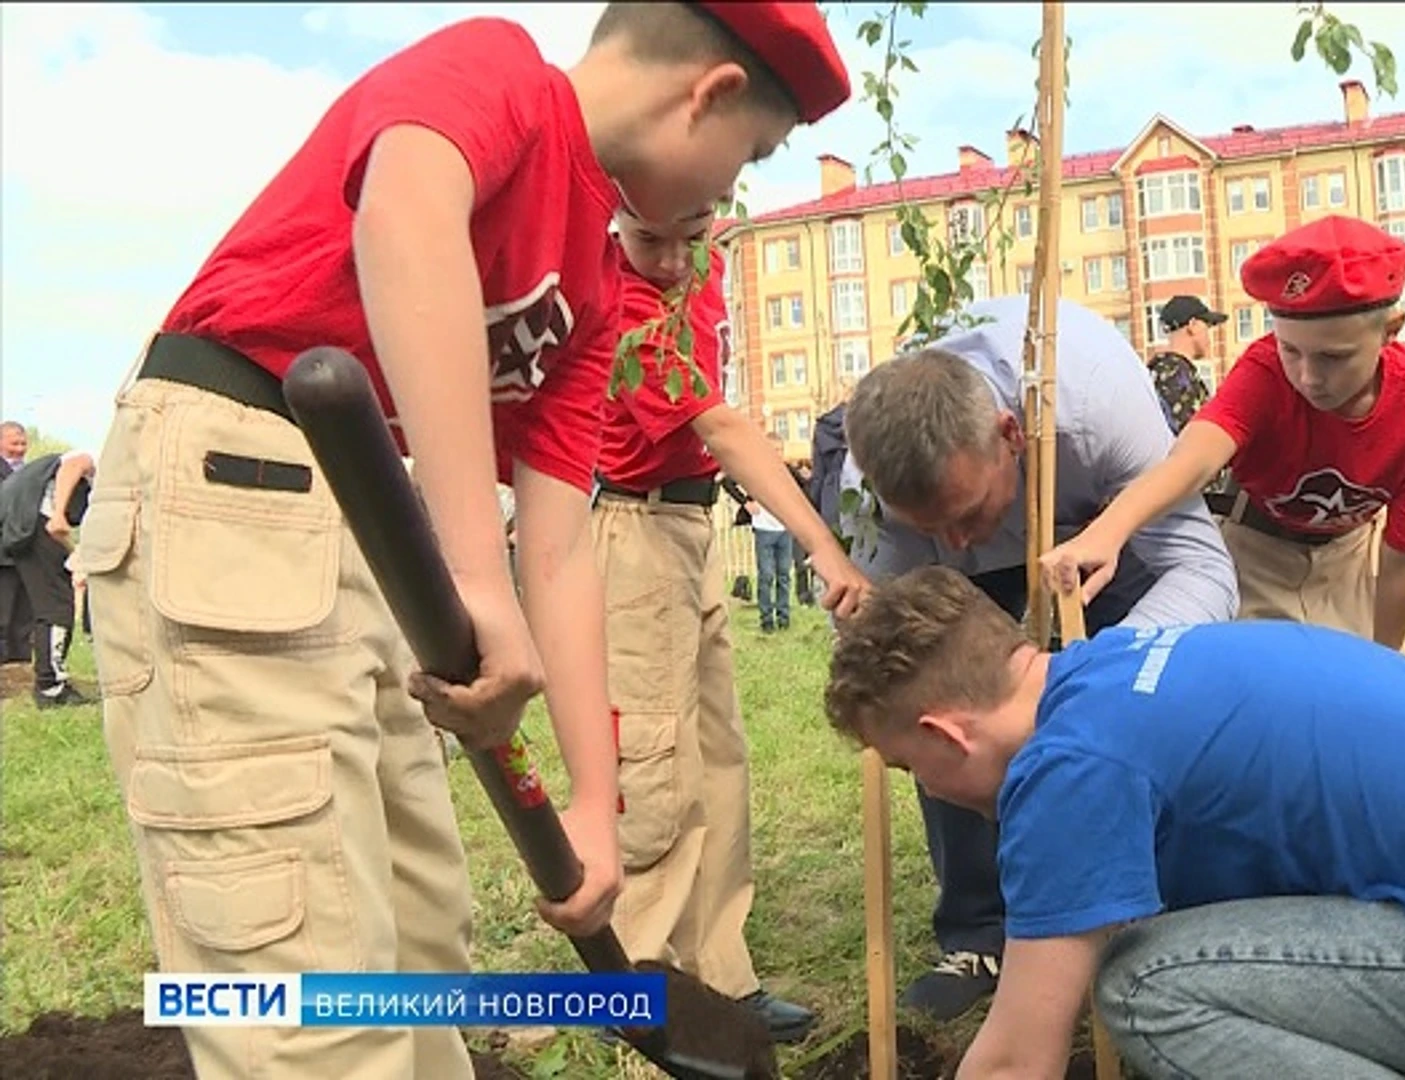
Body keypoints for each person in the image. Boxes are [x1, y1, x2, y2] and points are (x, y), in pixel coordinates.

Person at [72, 7, 849, 1079]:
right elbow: (405, 218)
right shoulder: (499, 74)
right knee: (311, 996)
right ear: (707, 94)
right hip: (239, 483)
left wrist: (592, 804)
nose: (730, 193)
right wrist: (478, 577)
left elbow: (563, 548)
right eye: (751, 154)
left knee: (417, 940)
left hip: (375, 533)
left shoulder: (589, 287)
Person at [823, 565, 1405, 1080]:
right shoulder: (1107, 670)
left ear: (943, 733)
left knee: (1147, 988)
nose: (922, 790)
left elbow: (1016, 1062)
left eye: (907, 769)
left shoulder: (1071, 770)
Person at [838, 294, 1238, 1020]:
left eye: (965, 513)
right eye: (930, 528)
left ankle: (1142, 912)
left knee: (1127, 723)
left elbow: (1202, 570)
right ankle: (983, 928)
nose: (955, 541)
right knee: (944, 710)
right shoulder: (869, 488)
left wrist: (1099, 681)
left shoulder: (1095, 403)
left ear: (1010, 434)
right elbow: (889, 665)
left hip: (1105, 554)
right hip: (968, 590)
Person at [592, 206, 865, 1043]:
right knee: (654, 757)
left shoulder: (700, 274)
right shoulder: (615, 294)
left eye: (694, 237)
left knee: (718, 756)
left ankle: (718, 974)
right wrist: (822, 541)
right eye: (652, 241)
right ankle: (638, 995)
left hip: (689, 524)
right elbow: (715, 423)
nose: (675, 263)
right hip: (629, 532)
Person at [1041, 215, 1405, 660]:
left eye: (1332, 357)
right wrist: (1109, 533)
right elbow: (1193, 460)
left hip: (1352, 559)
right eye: (1291, 349)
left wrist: (1386, 659)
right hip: (1254, 554)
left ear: (1390, 331)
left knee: (1380, 705)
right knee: (1262, 704)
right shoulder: (1264, 373)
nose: (1307, 377)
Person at [0, 448, 94, 707]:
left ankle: (49, 680)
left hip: (24, 528)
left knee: (48, 606)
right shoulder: (100, 459)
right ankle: (50, 686)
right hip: (39, 524)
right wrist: (59, 514)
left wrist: (78, 558)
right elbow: (75, 464)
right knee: (56, 607)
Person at [1145, 295, 1225, 434]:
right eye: (1207, 326)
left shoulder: (1167, 369)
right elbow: (1192, 435)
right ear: (1192, 325)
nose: (1209, 335)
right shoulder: (1173, 372)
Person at [746, 438, 797, 632]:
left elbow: (804, 489)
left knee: (784, 575)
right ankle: (766, 619)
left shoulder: (788, 472)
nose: (777, 454)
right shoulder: (756, 471)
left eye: (780, 450)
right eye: (773, 450)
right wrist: (745, 502)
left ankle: (784, 618)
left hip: (784, 529)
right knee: (766, 575)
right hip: (764, 529)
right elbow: (728, 480)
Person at [0, 421, 37, 664]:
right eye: (14, 443)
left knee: (24, 613)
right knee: (2, 612)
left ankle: (21, 664)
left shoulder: (31, 472)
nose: (20, 448)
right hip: (2, 553)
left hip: (27, 553)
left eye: (23, 443)